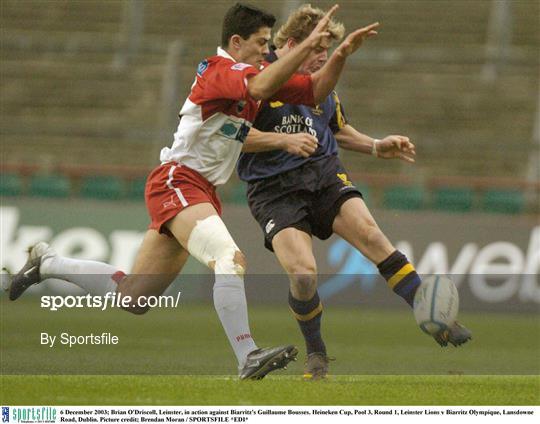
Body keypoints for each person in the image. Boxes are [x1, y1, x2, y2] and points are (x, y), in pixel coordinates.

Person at [9, 3, 380, 380]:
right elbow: (262, 86)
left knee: (134, 297)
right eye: (260, 42)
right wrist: (304, 47)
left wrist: (341, 54)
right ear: (236, 42)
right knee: (229, 258)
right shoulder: (219, 69)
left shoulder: (253, 74)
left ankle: (48, 264)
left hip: (200, 190)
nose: (265, 50)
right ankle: (247, 355)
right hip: (178, 180)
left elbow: (314, 89)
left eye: (269, 43)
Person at [237, 4, 472, 380]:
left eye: (328, 54)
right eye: (318, 52)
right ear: (295, 44)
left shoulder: (321, 85)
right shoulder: (255, 77)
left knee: (372, 237)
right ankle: (316, 353)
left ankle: (438, 320)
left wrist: (378, 146)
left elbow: (338, 128)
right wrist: (281, 141)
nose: (323, 61)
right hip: (273, 189)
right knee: (303, 275)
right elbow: (231, 136)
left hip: (323, 175)